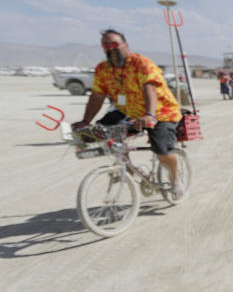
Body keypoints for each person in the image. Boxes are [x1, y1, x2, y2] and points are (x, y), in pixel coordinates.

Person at [73, 29, 184, 198]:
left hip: (161, 112)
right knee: (102, 132)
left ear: (125, 45)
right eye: (106, 45)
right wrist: (85, 120)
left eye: (115, 44)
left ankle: (175, 179)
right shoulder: (102, 69)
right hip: (128, 111)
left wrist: (149, 115)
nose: (111, 48)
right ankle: (128, 169)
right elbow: (97, 95)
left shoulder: (141, 63)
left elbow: (150, 88)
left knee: (162, 150)